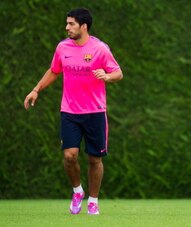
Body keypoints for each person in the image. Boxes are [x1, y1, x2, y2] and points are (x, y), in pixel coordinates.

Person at [24, 8, 123, 215]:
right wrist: (36, 90)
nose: (67, 27)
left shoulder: (100, 48)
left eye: (71, 24)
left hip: (95, 112)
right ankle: (77, 191)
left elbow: (118, 73)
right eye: (67, 23)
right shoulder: (62, 47)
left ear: (83, 26)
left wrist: (107, 77)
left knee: (94, 159)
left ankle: (93, 200)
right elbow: (54, 71)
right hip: (69, 112)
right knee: (70, 156)